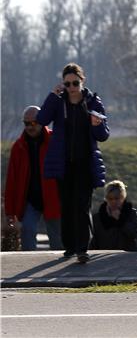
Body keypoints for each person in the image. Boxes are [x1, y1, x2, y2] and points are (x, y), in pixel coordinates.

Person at [37, 63, 109, 264]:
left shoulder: (93, 102)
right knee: (66, 205)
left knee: (82, 205)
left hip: (85, 162)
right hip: (63, 163)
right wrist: (52, 95)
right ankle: (69, 247)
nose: (71, 87)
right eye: (67, 84)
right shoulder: (59, 103)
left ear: (82, 81)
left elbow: (103, 135)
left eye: (75, 83)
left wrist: (98, 125)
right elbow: (42, 119)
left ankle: (82, 249)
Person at [4, 106, 62, 250]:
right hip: (30, 199)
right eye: (26, 123)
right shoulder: (18, 147)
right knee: (27, 230)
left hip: (53, 198)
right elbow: (12, 180)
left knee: (57, 239)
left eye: (34, 123)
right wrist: (9, 212)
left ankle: (59, 269)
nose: (30, 127)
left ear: (42, 121)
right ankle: (26, 268)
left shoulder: (56, 141)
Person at [90, 180, 137, 252]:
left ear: (123, 198)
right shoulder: (98, 218)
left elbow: (135, 234)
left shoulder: (131, 213)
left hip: (128, 257)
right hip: (104, 258)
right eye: (110, 199)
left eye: (117, 198)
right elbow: (93, 243)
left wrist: (120, 220)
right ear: (106, 199)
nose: (113, 202)